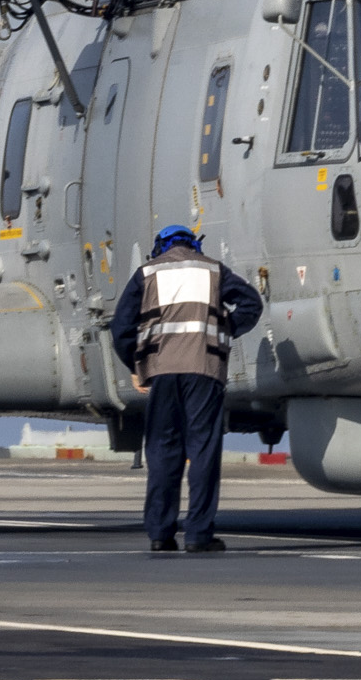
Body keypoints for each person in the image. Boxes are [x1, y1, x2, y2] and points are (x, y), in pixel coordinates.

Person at [111, 224, 263, 554]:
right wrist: (224, 331)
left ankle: (159, 533)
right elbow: (252, 304)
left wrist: (137, 367)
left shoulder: (146, 273)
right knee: (203, 450)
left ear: (160, 247)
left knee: (163, 452)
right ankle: (198, 535)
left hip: (162, 373)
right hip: (204, 371)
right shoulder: (213, 270)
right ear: (193, 245)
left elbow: (121, 328)